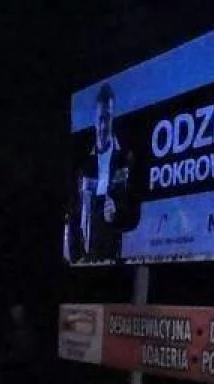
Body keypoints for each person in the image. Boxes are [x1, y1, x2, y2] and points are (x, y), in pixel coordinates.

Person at [64, 82, 141, 263]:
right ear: (93, 118)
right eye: (100, 118)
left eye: (107, 117)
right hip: (84, 262)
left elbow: (135, 216)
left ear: (113, 117)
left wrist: (117, 216)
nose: (103, 125)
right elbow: (73, 214)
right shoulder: (83, 165)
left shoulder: (127, 160)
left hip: (113, 261)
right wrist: (75, 259)